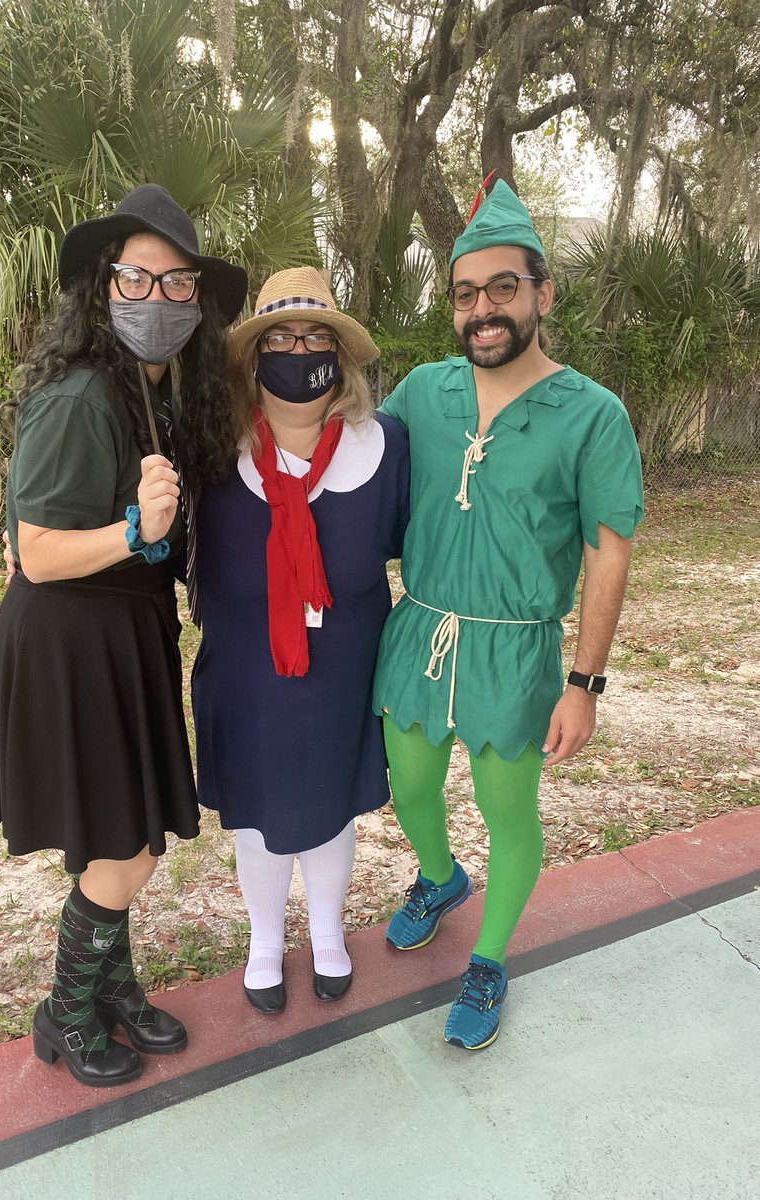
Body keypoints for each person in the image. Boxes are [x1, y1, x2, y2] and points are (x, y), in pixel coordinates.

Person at [0, 184, 248, 1086]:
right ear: (104, 288)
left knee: (114, 836)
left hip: (127, 634)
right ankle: (63, 1009)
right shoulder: (80, 393)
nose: (158, 300)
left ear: (198, 305)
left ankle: (109, 989)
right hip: (70, 640)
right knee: (125, 852)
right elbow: (39, 551)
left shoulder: (167, 399)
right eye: (139, 278)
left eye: (179, 285)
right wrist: (133, 531)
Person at [373, 177, 643, 1050]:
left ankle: (487, 960)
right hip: (418, 630)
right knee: (408, 786)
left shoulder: (593, 415)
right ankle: (439, 879)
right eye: (464, 293)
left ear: (541, 293)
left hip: (516, 650)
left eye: (501, 289)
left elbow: (609, 550)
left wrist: (585, 683)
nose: (481, 309)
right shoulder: (421, 392)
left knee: (508, 812)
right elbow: (344, 471)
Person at [191, 268, 410, 1012]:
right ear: (253, 356)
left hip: (343, 666)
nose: (297, 350)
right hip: (247, 667)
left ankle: (325, 933)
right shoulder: (212, 452)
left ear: (340, 356)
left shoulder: (384, 449)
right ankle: (261, 942)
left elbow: (428, 546)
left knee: (328, 803)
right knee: (259, 809)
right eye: (279, 338)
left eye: (315, 337)